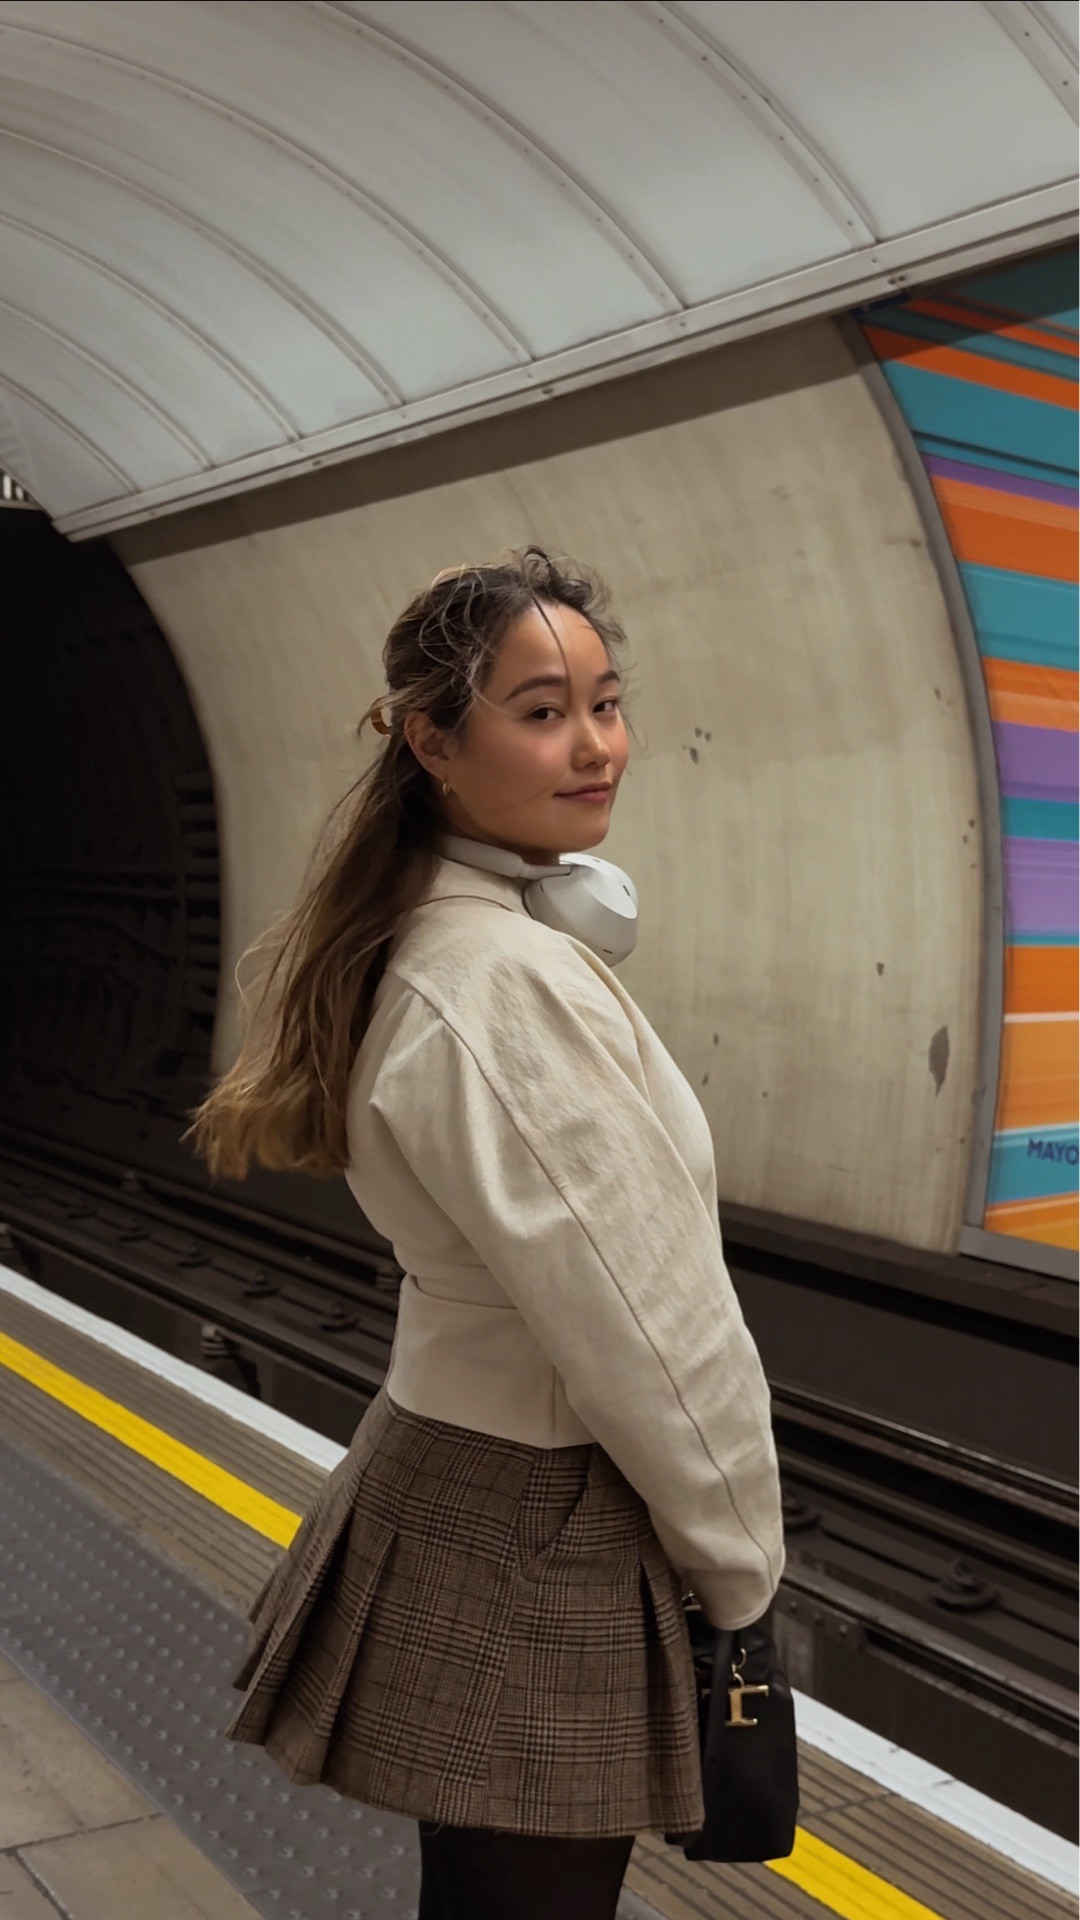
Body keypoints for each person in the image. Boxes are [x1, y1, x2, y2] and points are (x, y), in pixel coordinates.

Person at [187, 548, 785, 1920]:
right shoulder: (503, 984)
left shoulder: (434, 932)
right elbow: (647, 1324)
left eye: (607, 703)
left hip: (455, 1471)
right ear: (433, 743)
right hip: (547, 1519)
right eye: (542, 711)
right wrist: (742, 1565)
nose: (597, 746)